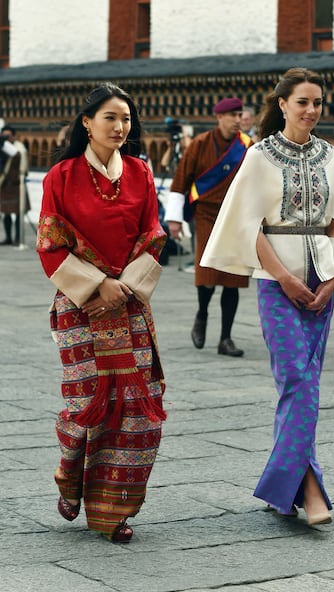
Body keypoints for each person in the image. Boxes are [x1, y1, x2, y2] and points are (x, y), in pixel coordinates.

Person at [201, 68, 334, 525]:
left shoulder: (331, 156)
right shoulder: (259, 157)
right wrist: (284, 278)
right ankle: (309, 488)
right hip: (278, 280)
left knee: (307, 382)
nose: (311, 111)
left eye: (317, 103)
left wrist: (333, 278)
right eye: (302, 102)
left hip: (322, 275)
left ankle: (285, 488)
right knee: (296, 378)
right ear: (282, 105)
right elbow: (246, 225)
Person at [36, 82, 167, 543]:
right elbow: (50, 242)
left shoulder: (140, 172)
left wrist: (124, 285)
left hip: (129, 303)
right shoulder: (62, 176)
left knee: (138, 410)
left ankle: (115, 510)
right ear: (87, 123)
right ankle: (70, 477)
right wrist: (98, 284)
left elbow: (153, 234)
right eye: (110, 117)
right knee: (87, 404)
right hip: (80, 305)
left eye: (126, 118)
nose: (120, 126)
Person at [164, 97, 252, 357]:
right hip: (206, 215)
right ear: (219, 117)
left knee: (233, 279)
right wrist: (174, 219)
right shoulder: (199, 145)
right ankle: (202, 314)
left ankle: (226, 338)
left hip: (236, 218)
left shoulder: (249, 147)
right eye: (233, 115)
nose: (238, 120)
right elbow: (180, 182)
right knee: (208, 274)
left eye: (240, 115)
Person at [0, 125, 30, 245]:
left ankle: (18, 238)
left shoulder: (19, 148)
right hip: (5, 184)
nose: (6, 138)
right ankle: (8, 238)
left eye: (8, 135)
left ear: (13, 136)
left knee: (19, 213)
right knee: (5, 212)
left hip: (17, 184)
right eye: (4, 135)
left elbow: (19, 158)